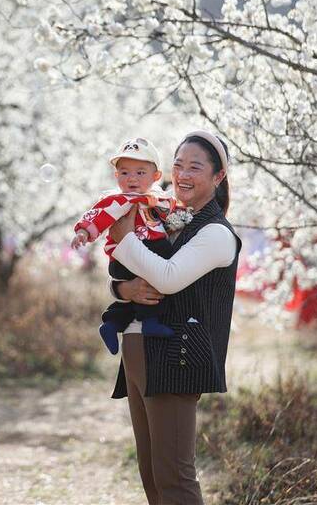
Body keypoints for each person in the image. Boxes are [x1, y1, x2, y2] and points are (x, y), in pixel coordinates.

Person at [106, 130, 242, 505]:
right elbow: (126, 274)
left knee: (175, 478)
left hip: (176, 358)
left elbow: (167, 278)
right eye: (178, 164)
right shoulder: (167, 218)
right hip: (137, 348)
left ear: (218, 177)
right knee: (151, 474)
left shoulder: (216, 233)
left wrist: (121, 234)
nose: (182, 174)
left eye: (195, 167)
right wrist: (123, 291)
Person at [70, 137, 193, 354]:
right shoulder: (118, 200)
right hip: (123, 258)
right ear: (116, 176)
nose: (132, 179)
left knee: (136, 294)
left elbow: (172, 212)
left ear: (156, 176)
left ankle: (112, 324)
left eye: (140, 172)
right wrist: (83, 231)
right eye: (125, 173)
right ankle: (151, 321)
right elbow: (98, 215)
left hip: (138, 254)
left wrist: (182, 218)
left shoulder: (158, 198)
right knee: (159, 265)